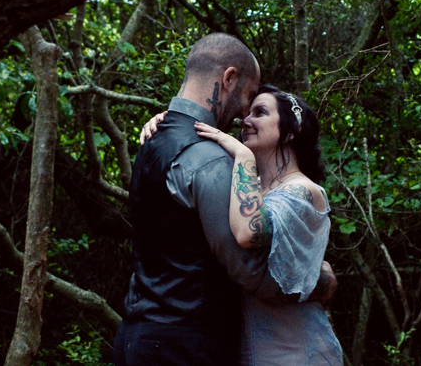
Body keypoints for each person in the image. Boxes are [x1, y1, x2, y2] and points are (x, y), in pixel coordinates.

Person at [114, 34, 336, 366]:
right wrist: (320, 281)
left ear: (290, 133)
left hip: (140, 335)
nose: (245, 114)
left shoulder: (156, 143)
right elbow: (251, 270)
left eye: (259, 111)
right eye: (249, 98)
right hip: (185, 345)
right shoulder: (210, 159)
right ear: (228, 78)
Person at [194, 85, 343, 365]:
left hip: (296, 351)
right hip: (245, 347)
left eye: (260, 112)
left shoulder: (305, 190)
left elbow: (249, 232)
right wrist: (167, 121)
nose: (245, 121)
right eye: (247, 113)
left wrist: (243, 156)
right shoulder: (249, 184)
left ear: (290, 131)